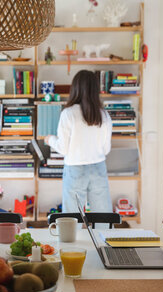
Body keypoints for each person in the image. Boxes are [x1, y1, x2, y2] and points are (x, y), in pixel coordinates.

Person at [45, 70, 113, 212]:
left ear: (75, 88)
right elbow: (106, 150)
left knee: (71, 219)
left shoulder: (68, 113)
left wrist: (49, 139)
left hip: (75, 168)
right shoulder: (104, 115)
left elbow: (63, 148)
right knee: (103, 217)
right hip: (98, 167)